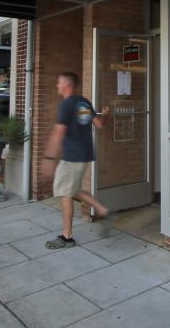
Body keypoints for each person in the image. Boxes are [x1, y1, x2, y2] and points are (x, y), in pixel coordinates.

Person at [42, 72, 111, 249]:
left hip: (72, 156)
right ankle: (103, 210)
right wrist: (105, 115)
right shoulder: (84, 102)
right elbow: (100, 124)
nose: (57, 85)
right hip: (84, 154)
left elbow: (59, 132)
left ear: (66, 84)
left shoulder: (67, 105)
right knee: (72, 190)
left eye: (59, 82)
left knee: (66, 193)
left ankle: (67, 237)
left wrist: (49, 158)